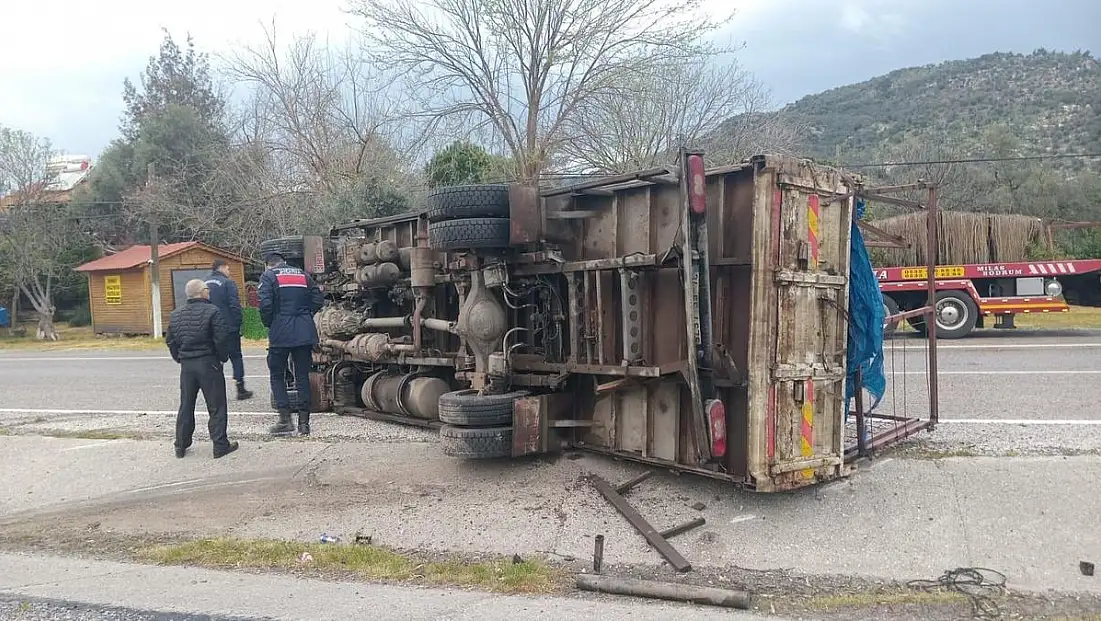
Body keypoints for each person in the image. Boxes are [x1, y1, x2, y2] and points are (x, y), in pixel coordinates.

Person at [165, 279, 240, 459]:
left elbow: (170, 340)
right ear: (203, 292)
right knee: (216, 406)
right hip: (208, 362)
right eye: (207, 289)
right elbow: (221, 338)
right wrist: (222, 358)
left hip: (187, 365)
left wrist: (180, 357)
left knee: (186, 404)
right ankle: (220, 444)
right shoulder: (212, 311)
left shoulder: (176, 314)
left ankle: (181, 445)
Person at [258, 251, 324, 436]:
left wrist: (270, 322)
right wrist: (305, 314)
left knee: (277, 375)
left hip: (281, 332)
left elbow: (265, 305)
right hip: (304, 331)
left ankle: (285, 421)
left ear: (268, 264)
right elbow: (318, 300)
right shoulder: (303, 275)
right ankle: (304, 424)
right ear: (284, 262)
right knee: (302, 376)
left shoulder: (269, 276)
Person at [205, 259, 253, 401]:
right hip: (228, 326)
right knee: (236, 356)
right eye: (228, 268)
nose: (229, 271)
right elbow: (234, 305)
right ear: (222, 268)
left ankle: (214, 391)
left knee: (214, 358)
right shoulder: (228, 283)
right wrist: (238, 324)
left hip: (211, 327)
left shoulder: (204, 283)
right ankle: (240, 388)